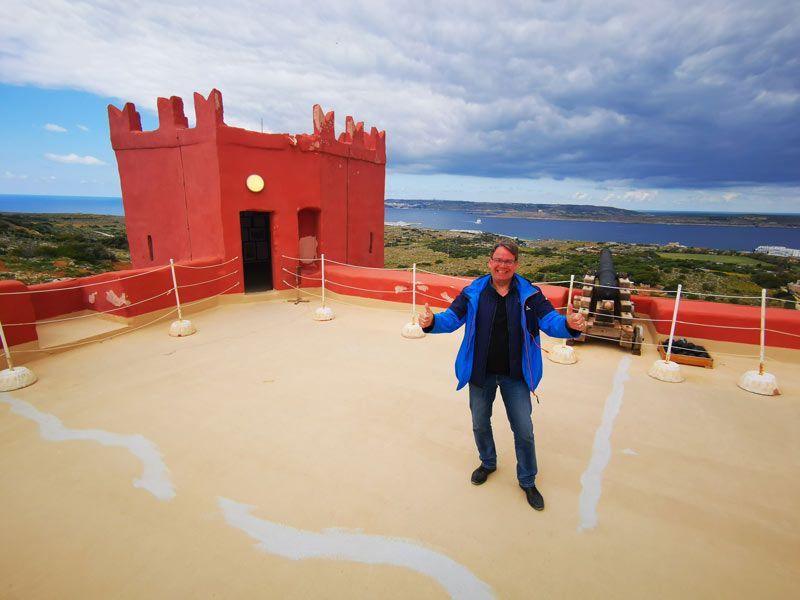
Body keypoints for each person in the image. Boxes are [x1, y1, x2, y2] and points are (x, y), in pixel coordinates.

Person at [419, 239, 586, 511]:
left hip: (515, 375)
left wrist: (568, 324)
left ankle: (527, 480)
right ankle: (488, 462)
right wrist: (432, 322)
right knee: (479, 424)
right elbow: (451, 319)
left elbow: (551, 322)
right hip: (480, 373)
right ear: (490, 262)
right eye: (498, 259)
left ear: (516, 265)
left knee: (524, 430)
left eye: (508, 261)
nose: (502, 265)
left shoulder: (530, 295)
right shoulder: (473, 292)